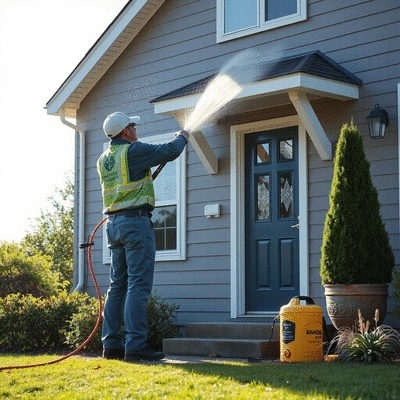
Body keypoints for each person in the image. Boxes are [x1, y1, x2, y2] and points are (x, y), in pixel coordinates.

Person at [97, 111, 189, 361]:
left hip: (113, 225)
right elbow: (170, 151)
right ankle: (136, 345)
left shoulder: (104, 158)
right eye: (133, 127)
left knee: (117, 286)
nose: (136, 130)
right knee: (138, 284)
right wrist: (182, 136)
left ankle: (112, 347)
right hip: (135, 224)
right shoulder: (132, 151)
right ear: (125, 132)